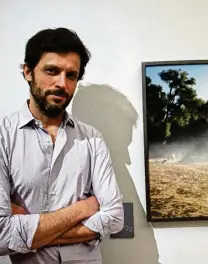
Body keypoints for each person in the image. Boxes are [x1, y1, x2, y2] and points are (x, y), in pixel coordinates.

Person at [0, 28, 124, 264]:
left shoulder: (92, 138)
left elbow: (115, 218)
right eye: (51, 71)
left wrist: (33, 230)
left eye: (71, 75)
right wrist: (82, 209)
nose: (61, 83)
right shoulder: (3, 137)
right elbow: (1, 234)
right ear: (28, 72)